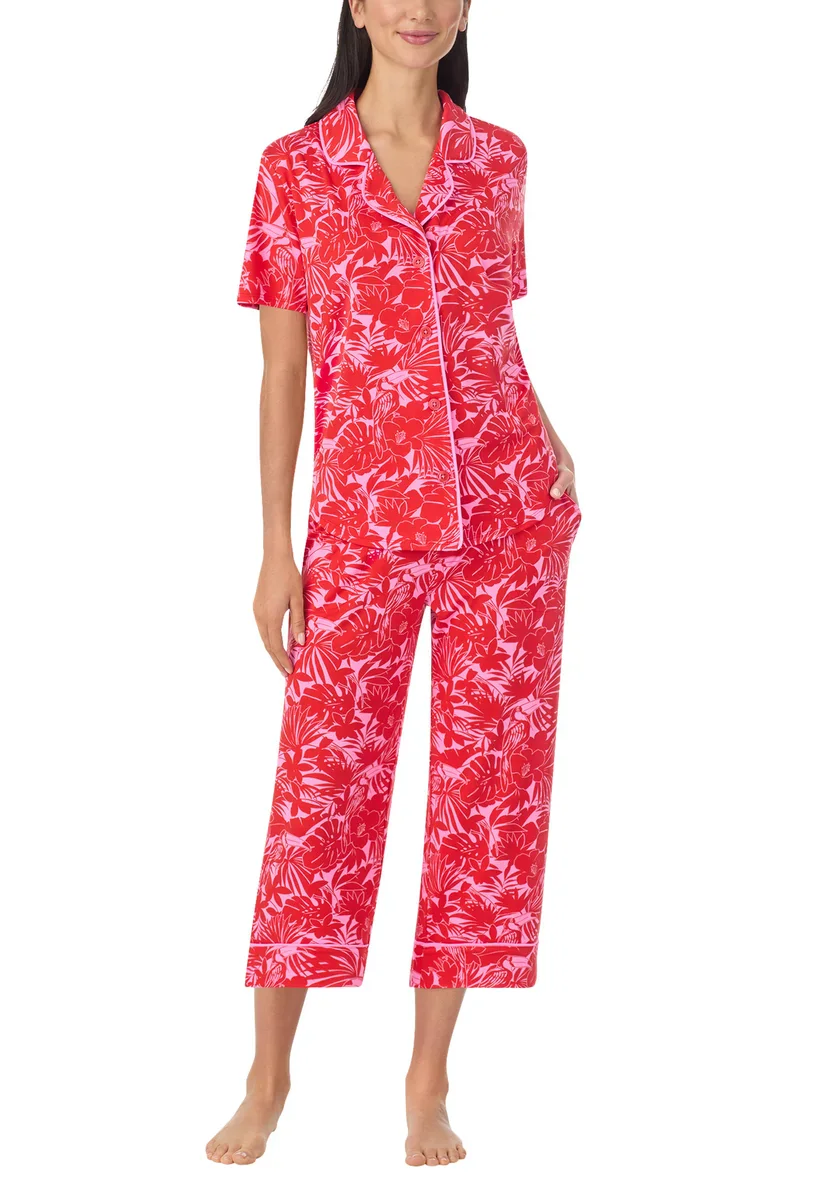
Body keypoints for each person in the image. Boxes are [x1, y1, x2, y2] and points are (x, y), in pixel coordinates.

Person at [208, 0, 582, 1167]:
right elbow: (283, 372)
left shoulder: (500, 160)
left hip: (508, 520)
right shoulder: (293, 172)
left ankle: (428, 1082)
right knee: (320, 796)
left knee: (484, 806)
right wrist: (276, 546)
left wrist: (547, 431)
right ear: (358, 5)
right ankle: (268, 1075)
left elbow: (484, 334)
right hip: (362, 527)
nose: (420, 8)